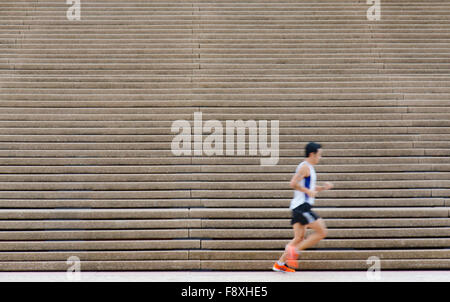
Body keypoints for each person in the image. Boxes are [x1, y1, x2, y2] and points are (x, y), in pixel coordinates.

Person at [273, 142, 334, 273]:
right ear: (312, 154)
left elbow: (311, 188)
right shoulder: (305, 167)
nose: (320, 158)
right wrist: (307, 191)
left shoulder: (309, 168)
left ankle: (280, 263)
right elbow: (293, 183)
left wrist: (322, 188)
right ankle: (294, 251)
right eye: (319, 155)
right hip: (302, 207)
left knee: (299, 238)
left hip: (298, 208)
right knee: (322, 231)